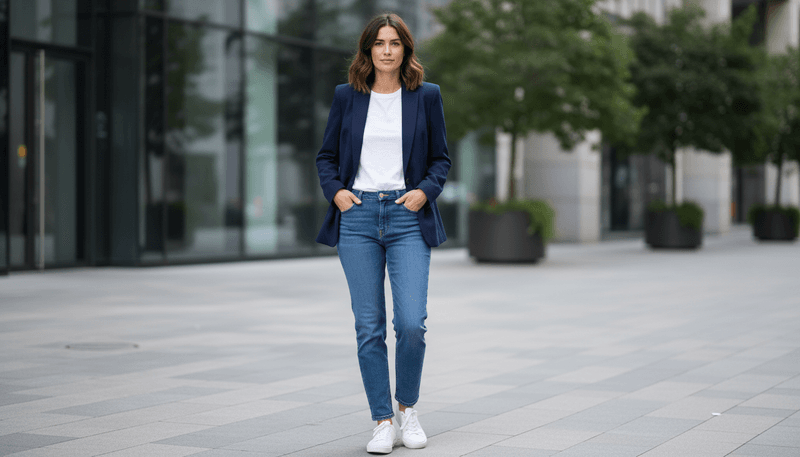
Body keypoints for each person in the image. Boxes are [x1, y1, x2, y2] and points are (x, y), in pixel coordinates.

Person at [315, 12, 451, 455]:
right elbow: (326, 156)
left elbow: (441, 159)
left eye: (394, 43)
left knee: (411, 323)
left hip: (406, 214)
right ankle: (382, 420)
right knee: (369, 326)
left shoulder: (426, 96)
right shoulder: (347, 96)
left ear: (406, 49)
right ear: (368, 50)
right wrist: (336, 192)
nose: (387, 51)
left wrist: (424, 192)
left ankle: (407, 408)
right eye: (379, 43)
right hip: (357, 217)